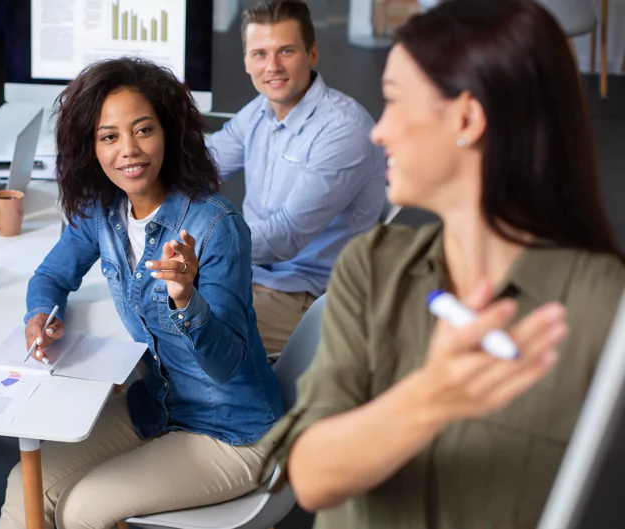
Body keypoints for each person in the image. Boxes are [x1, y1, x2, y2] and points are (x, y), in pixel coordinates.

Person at [260, 1, 625, 527]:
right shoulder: (372, 267)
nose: (378, 131)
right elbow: (312, 477)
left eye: (393, 103)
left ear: (467, 117)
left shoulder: (603, 309)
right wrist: (432, 397)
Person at [0, 57, 284, 529]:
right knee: (24, 485)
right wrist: (40, 315)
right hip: (156, 405)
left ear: (169, 133)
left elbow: (225, 363)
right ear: (91, 148)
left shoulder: (215, 225)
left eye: (144, 130)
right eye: (109, 136)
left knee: (81, 509)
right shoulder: (103, 212)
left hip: (232, 430)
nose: (129, 150)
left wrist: (185, 297)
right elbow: (50, 276)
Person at [207, 0, 386, 355]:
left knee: (181, 329)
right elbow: (202, 165)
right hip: (253, 277)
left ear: (312, 53)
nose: (272, 67)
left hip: (309, 297)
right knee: (149, 297)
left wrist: (200, 246)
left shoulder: (343, 130)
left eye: (286, 51)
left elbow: (284, 238)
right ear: (246, 61)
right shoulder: (258, 111)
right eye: (259, 54)